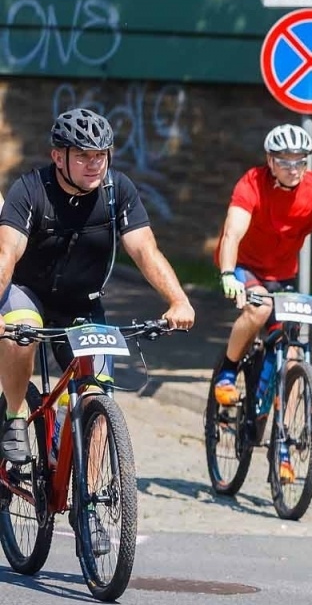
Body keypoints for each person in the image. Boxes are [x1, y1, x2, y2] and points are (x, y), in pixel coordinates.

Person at [0, 108, 195, 464]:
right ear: (58, 157)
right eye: (84, 156)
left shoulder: (116, 191)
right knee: (18, 332)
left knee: (97, 398)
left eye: (101, 155)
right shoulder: (29, 190)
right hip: (28, 294)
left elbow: (145, 250)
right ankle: (14, 416)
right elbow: (6, 252)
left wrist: (178, 300)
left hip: (82, 306)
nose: (95, 165)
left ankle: (90, 508)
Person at [211, 124, 312, 481]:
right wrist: (226, 274)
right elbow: (233, 231)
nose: (294, 168)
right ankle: (228, 369)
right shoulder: (251, 183)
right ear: (270, 161)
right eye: (285, 161)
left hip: (283, 274)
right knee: (261, 307)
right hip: (243, 266)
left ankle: (280, 446)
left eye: (300, 161)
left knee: (292, 353)